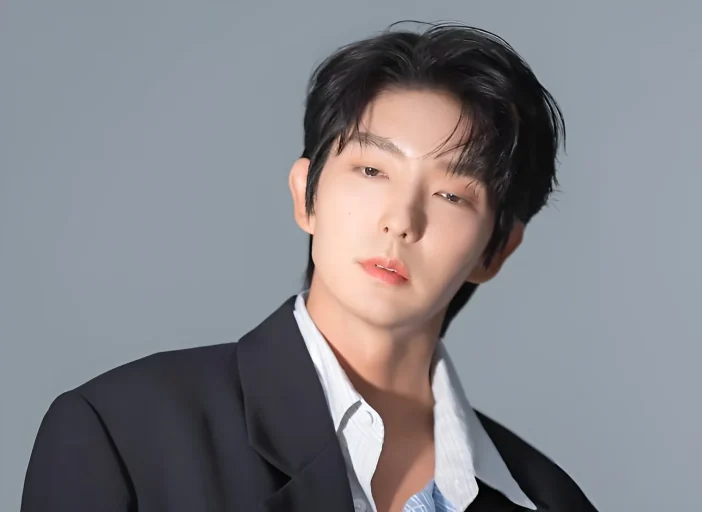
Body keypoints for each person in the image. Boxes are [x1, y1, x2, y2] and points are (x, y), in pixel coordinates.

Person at [21, 22, 598, 512]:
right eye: (372, 171)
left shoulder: (548, 499)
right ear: (306, 195)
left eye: (452, 195)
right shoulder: (123, 434)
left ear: (496, 250)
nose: (401, 221)